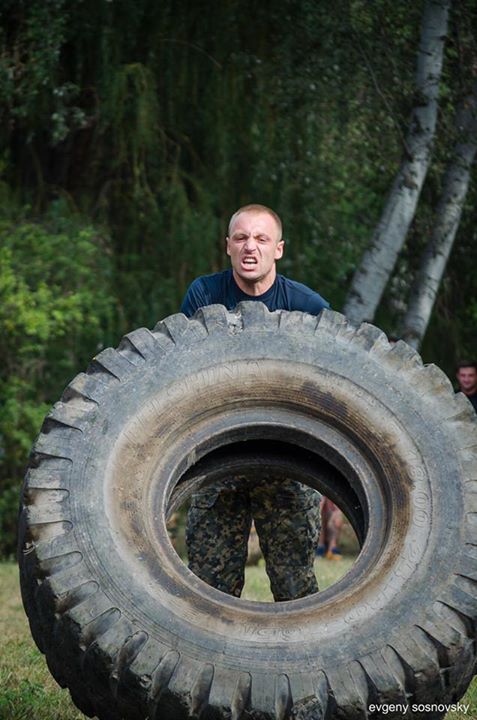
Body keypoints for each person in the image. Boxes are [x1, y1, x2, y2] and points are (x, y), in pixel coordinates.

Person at [180, 203, 330, 601]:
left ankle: (298, 661)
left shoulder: (308, 307)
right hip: (220, 455)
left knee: (294, 585)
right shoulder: (205, 295)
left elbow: (332, 384)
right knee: (209, 586)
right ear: (228, 245)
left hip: (288, 460)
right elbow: (181, 370)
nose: (251, 247)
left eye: (261, 239)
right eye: (242, 238)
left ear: (278, 248)